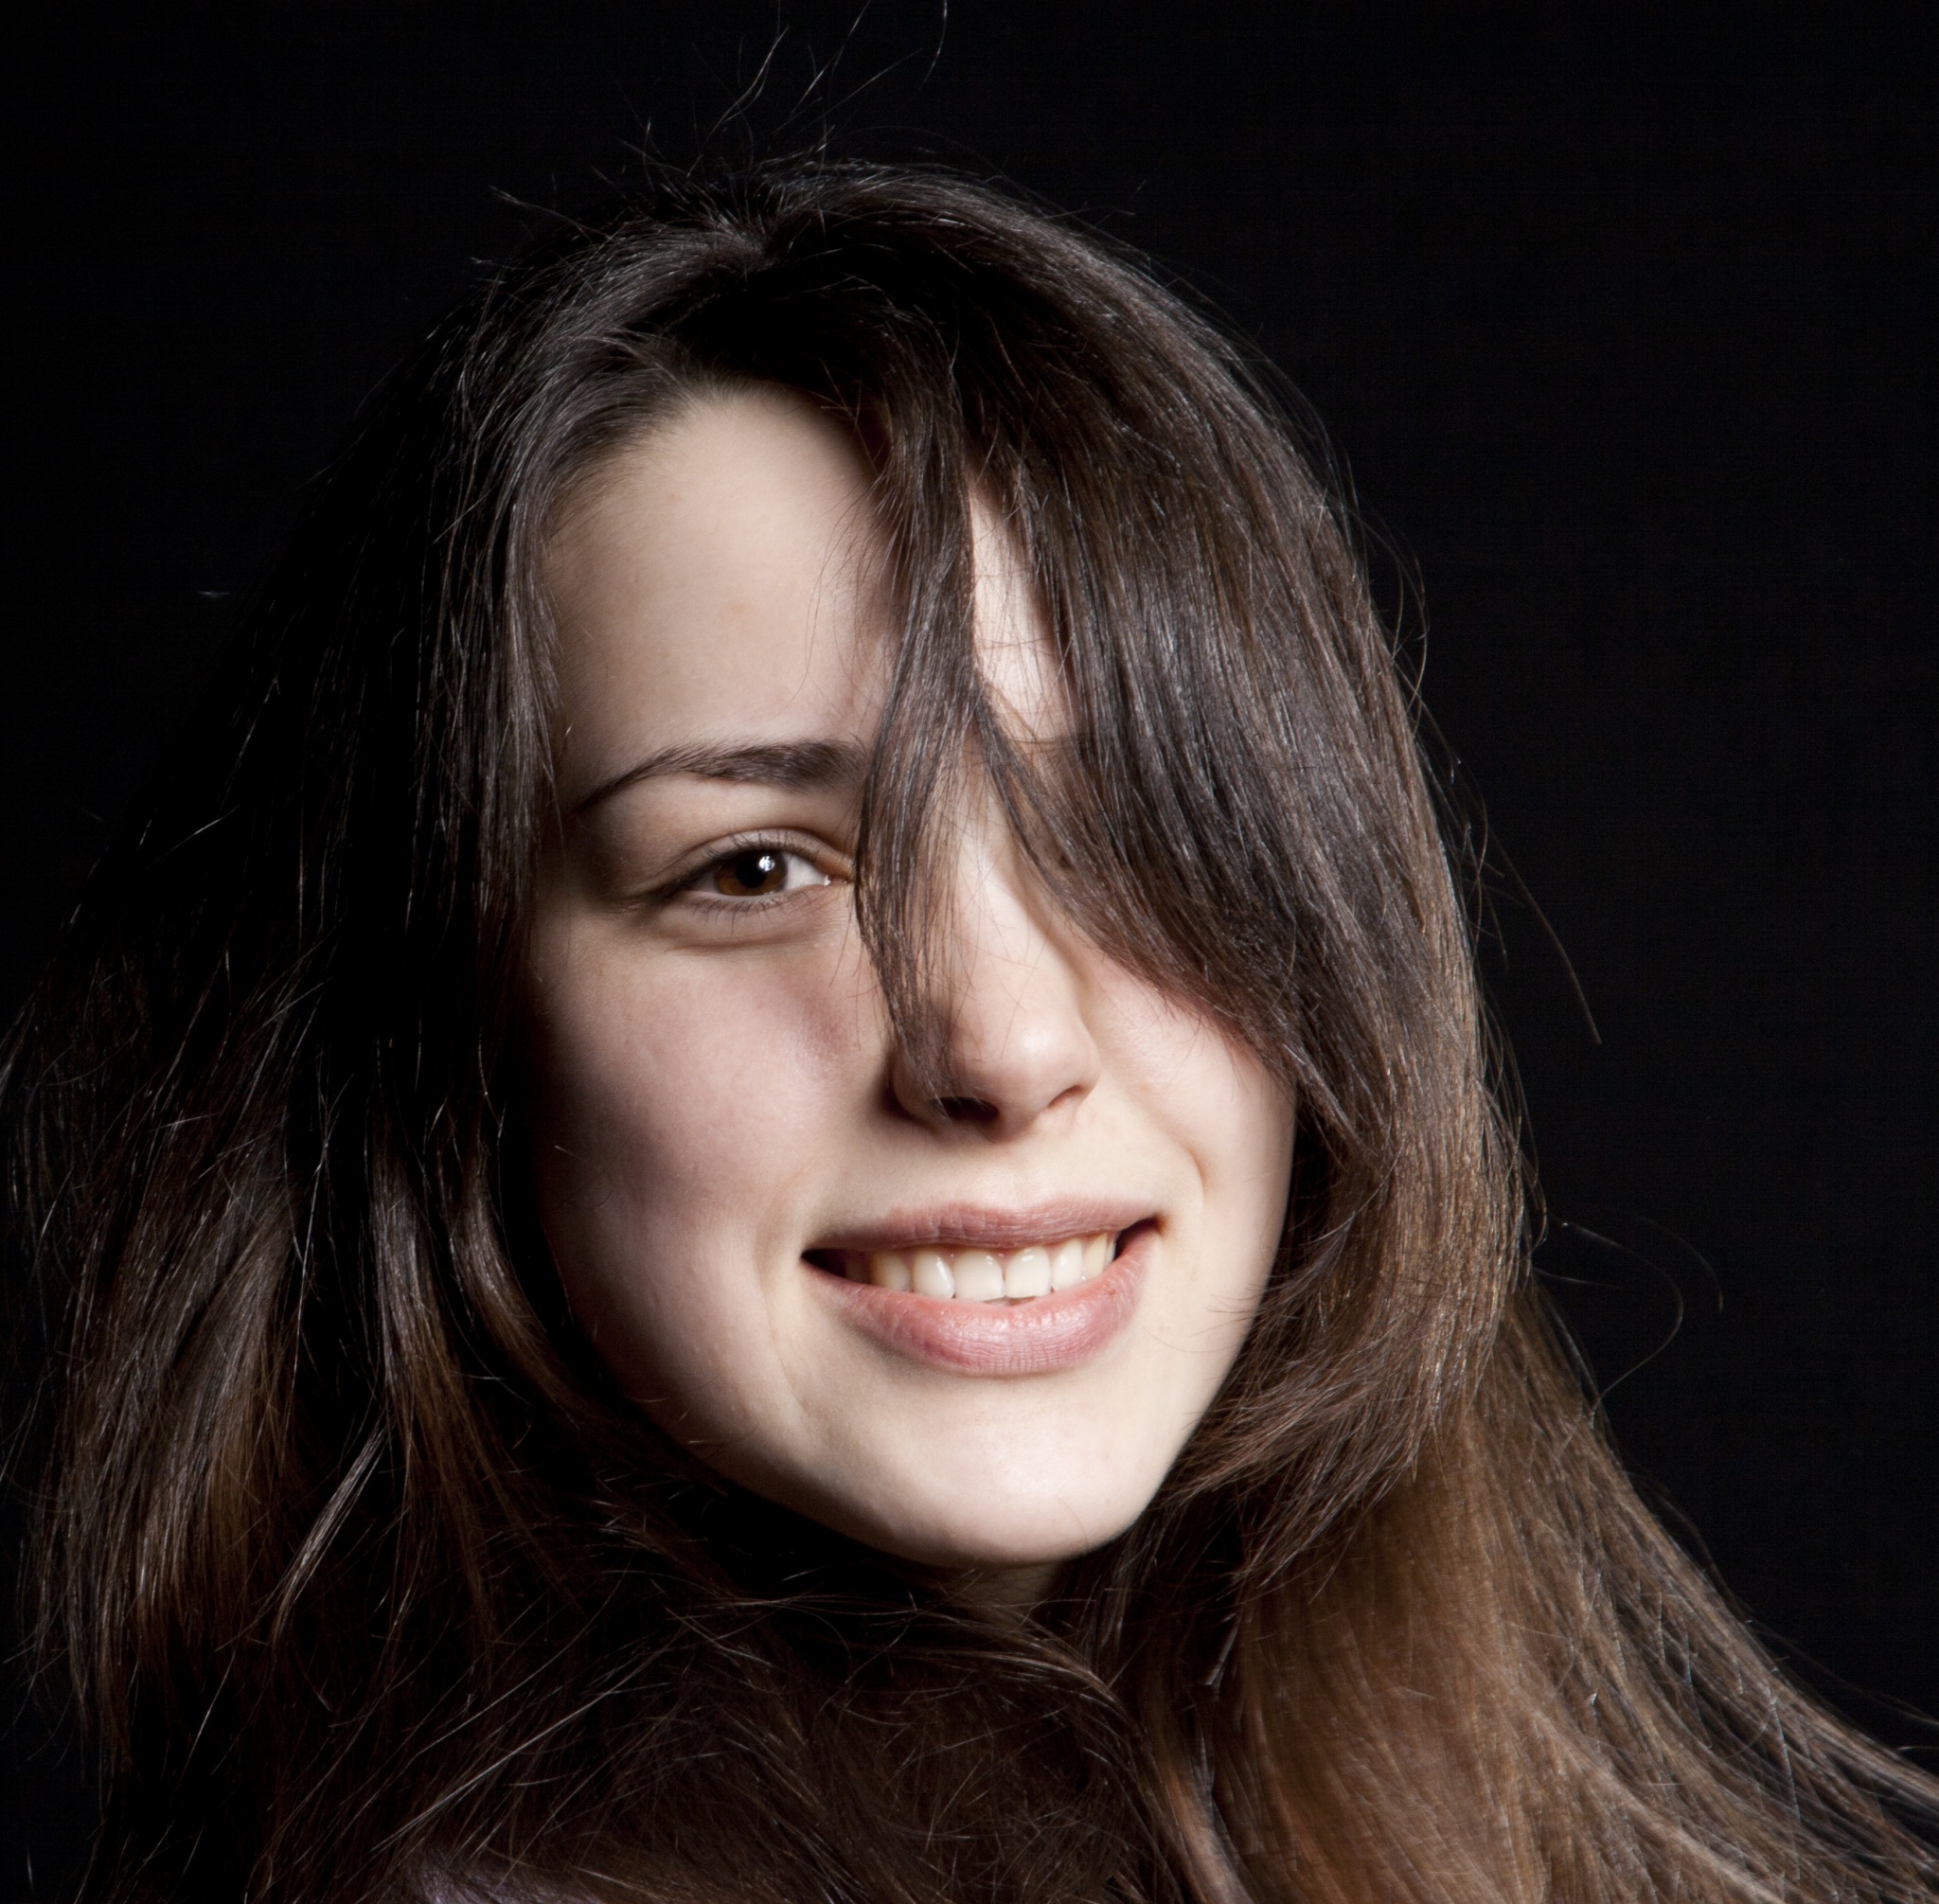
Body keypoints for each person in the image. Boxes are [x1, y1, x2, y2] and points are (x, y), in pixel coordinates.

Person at [5, 161, 1933, 1904]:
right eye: (757, 867)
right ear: (453, 1035)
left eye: (1129, 829)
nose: (999, 1048)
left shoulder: (1407, 1785)